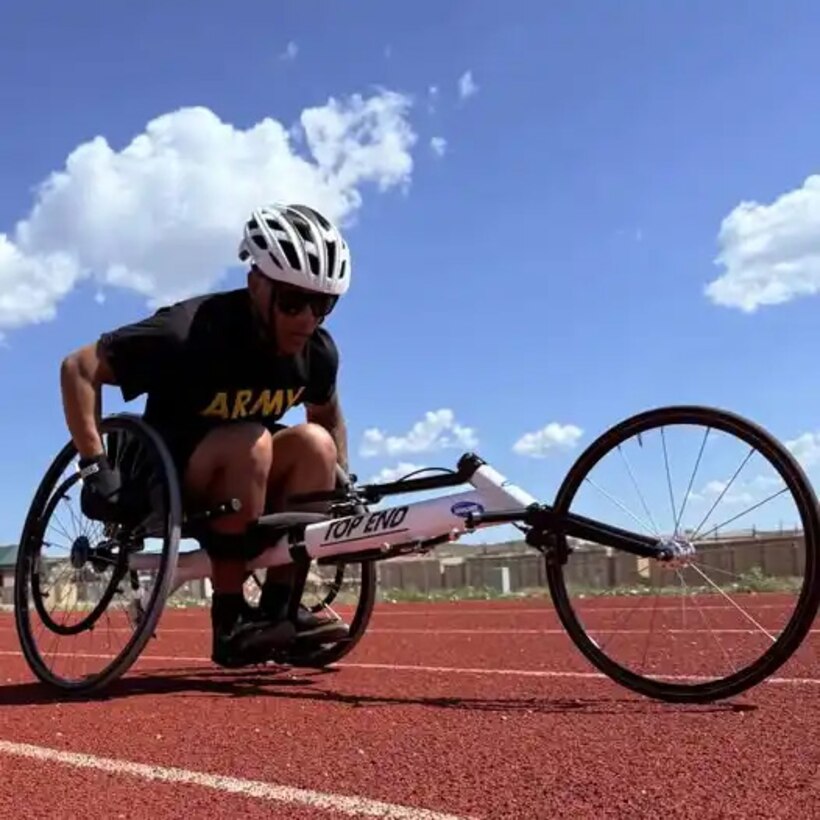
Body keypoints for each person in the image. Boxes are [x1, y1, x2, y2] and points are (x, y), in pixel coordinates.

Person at [59, 202, 354, 668]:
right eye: (293, 301)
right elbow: (78, 368)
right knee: (251, 441)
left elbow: (328, 416)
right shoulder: (189, 330)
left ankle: (279, 612)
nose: (307, 319)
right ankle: (231, 620)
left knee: (316, 445)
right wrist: (95, 465)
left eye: (323, 305)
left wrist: (343, 491)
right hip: (171, 481)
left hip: (251, 481)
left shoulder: (316, 353)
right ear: (257, 284)